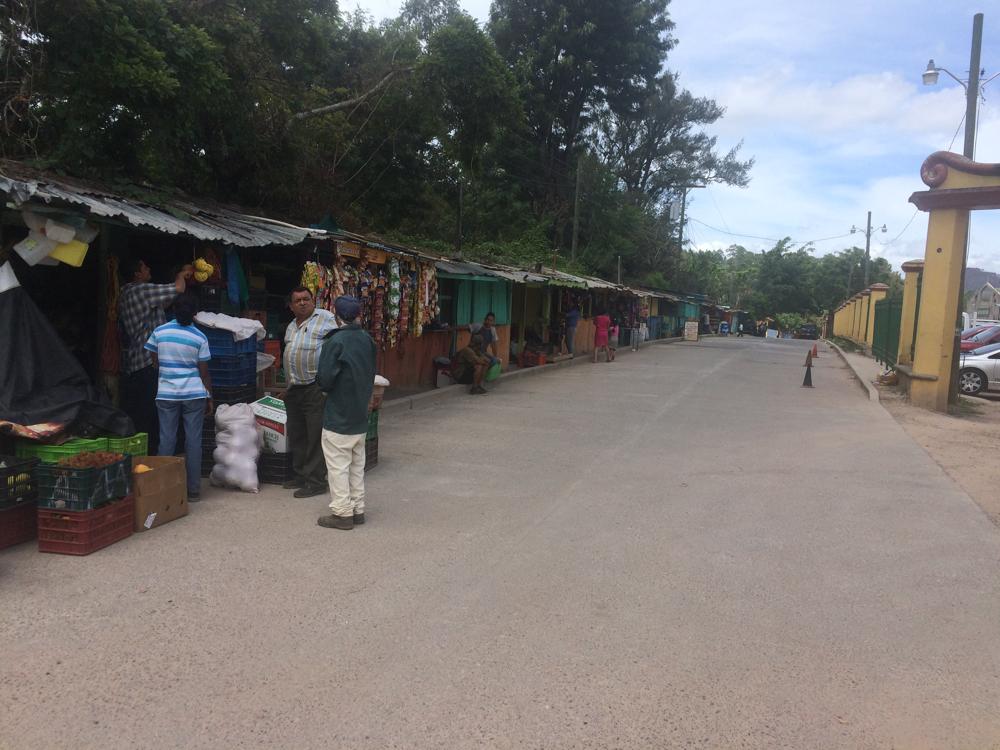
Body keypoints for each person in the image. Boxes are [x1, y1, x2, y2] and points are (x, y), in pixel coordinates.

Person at [316, 296, 377, 531]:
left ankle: (342, 514)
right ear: (359, 314)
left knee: (338, 466)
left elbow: (325, 379)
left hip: (339, 413)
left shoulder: (336, 341)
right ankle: (357, 509)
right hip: (360, 413)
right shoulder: (367, 339)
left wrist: (322, 385)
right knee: (356, 465)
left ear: (336, 315)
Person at [144, 294, 211, 502]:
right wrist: (209, 396)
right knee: (193, 441)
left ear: (172, 310)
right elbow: (204, 372)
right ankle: (193, 491)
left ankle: (163, 487)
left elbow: (154, 359)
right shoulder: (200, 337)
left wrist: (165, 367)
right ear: (195, 314)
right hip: (193, 393)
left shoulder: (159, 332)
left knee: (167, 439)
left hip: (166, 394)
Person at [119, 258, 190, 453]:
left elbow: (166, 301)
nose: (149, 268)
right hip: (147, 364)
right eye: (144, 266)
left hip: (136, 365)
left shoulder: (127, 292)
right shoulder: (141, 290)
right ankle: (150, 459)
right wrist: (181, 275)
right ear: (137, 274)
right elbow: (178, 288)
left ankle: (145, 457)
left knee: (143, 417)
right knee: (150, 416)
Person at [280, 287, 338, 498]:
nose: (303, 303)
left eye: (306, 299)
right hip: (294, 388)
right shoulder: (290, 326)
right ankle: (301, 475)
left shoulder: (326, 318)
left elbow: (337, 346)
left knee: (314, 435)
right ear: (291, 305)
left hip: (315, 387)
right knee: (298, 434)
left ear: (314, 301)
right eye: (298, 300)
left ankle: (316, 481)